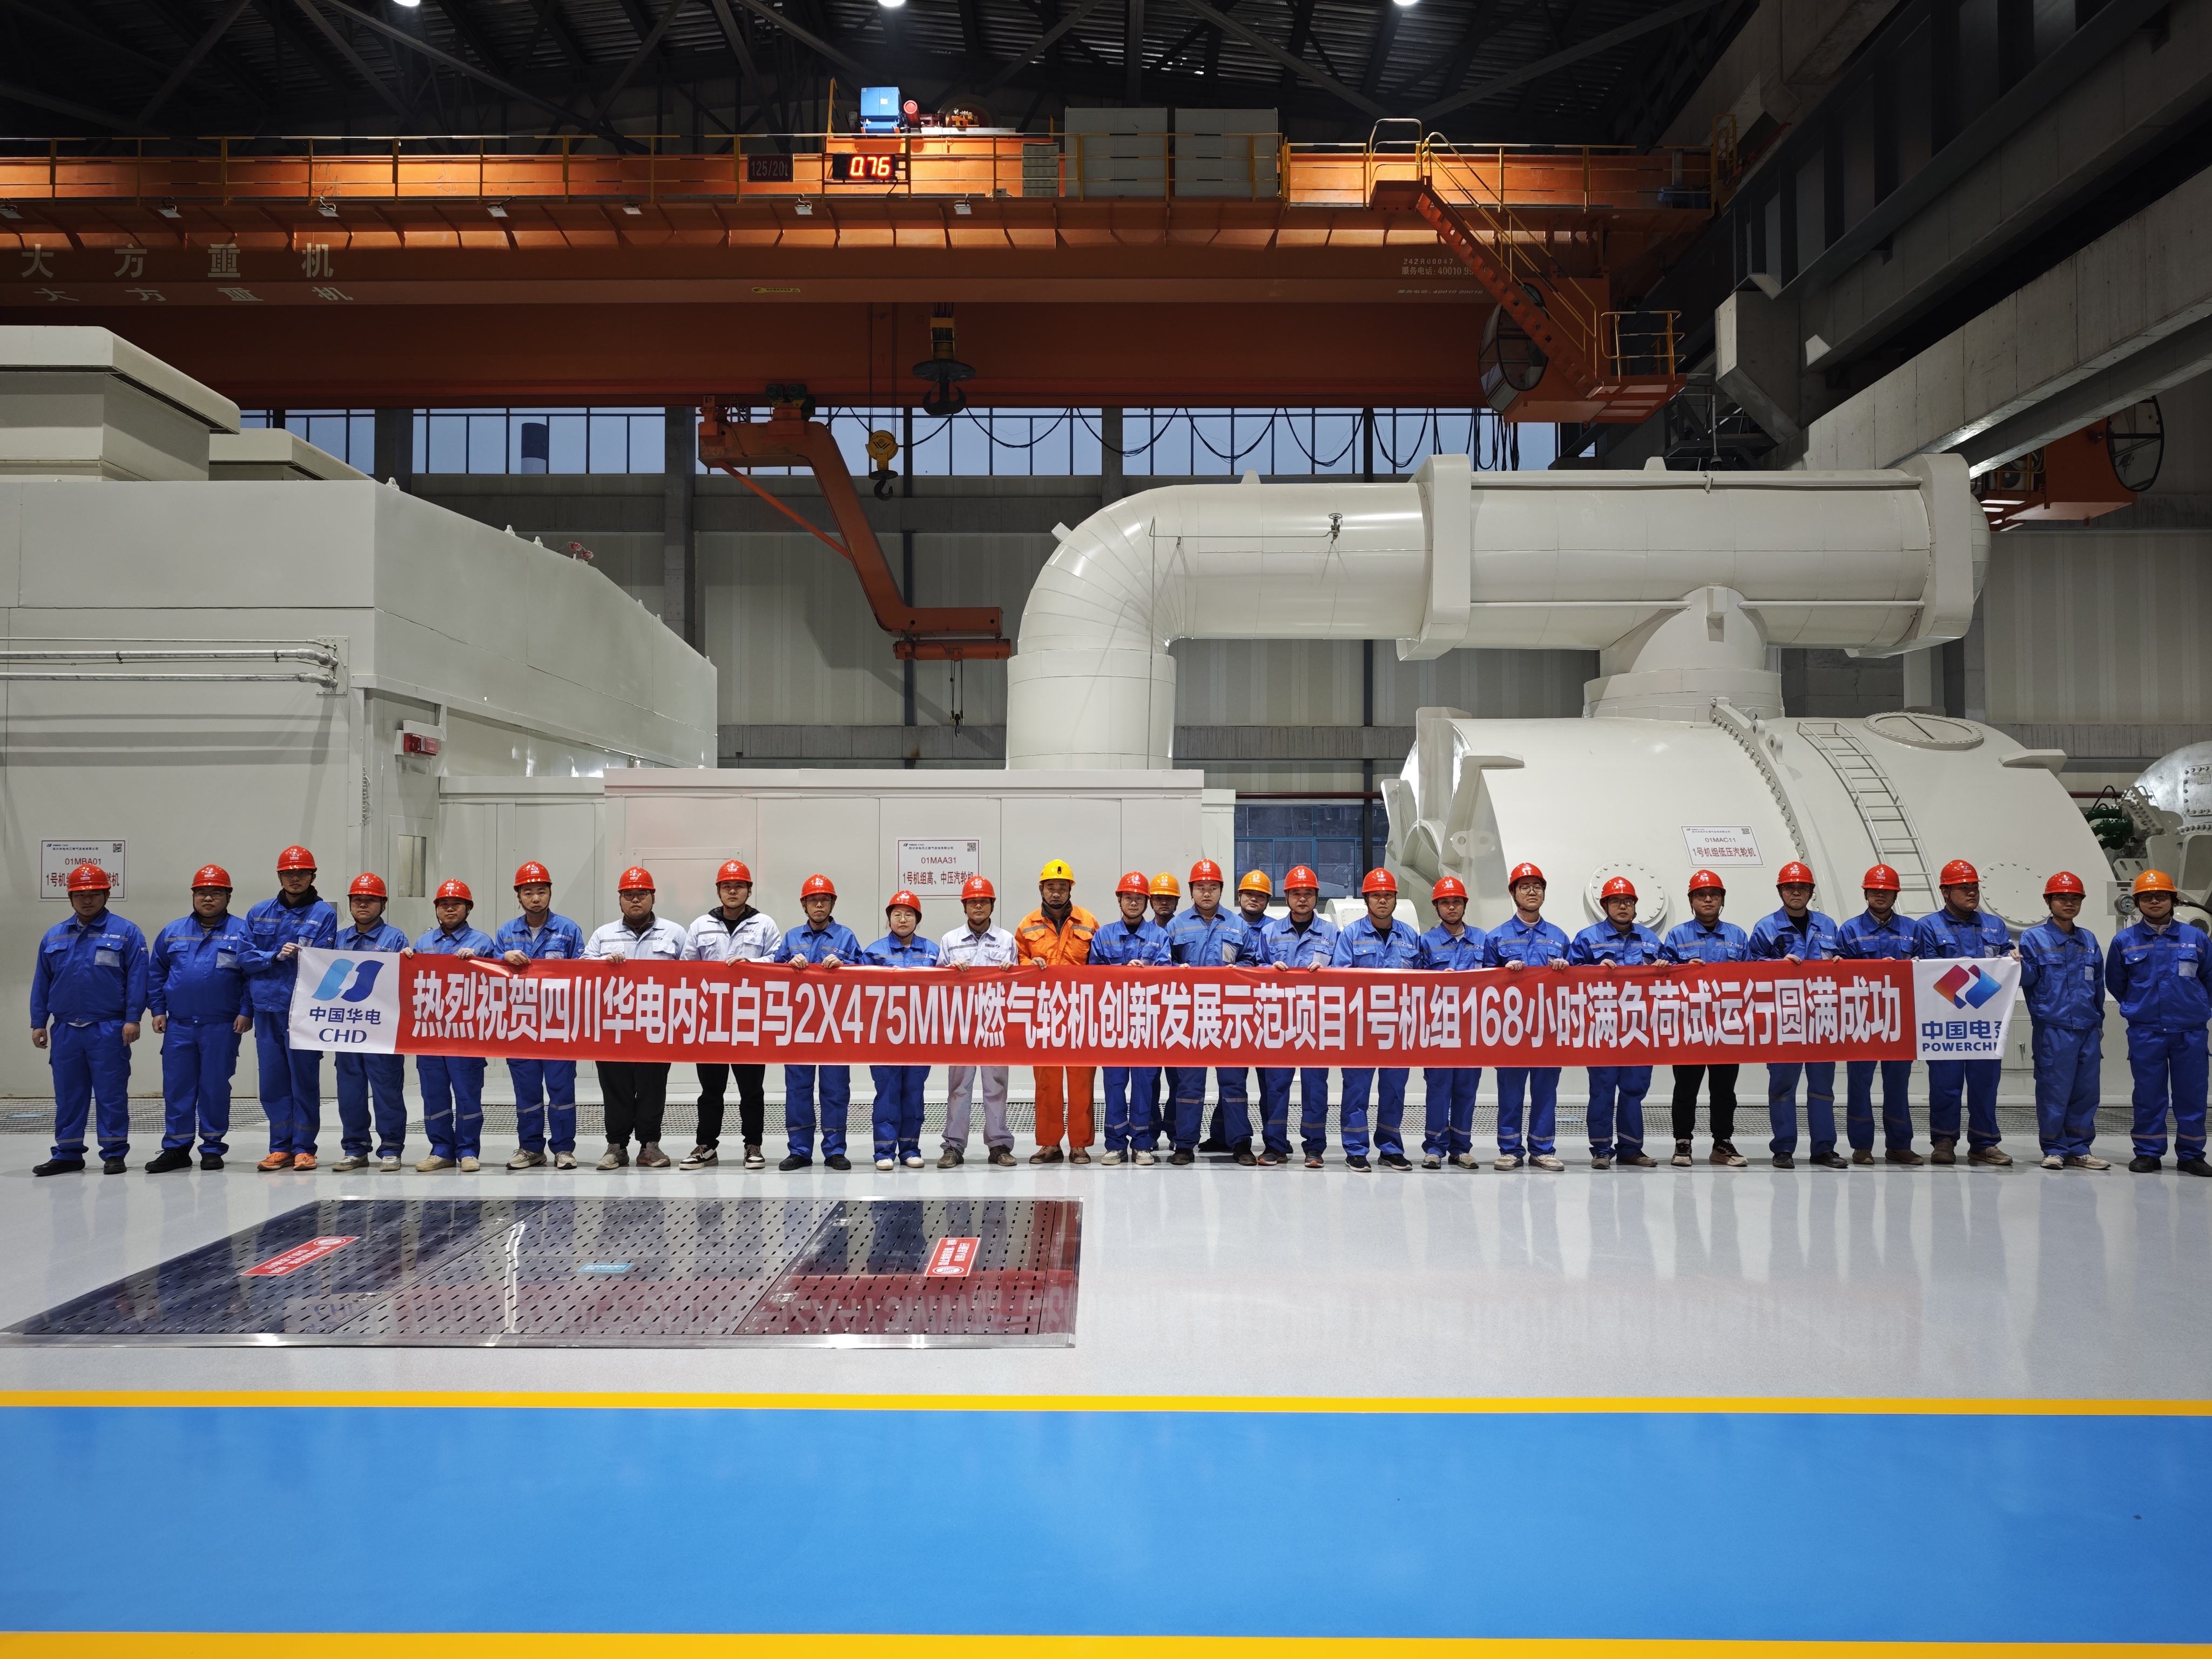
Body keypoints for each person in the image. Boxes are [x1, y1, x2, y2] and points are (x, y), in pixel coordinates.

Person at [30, 863, 147, 1177]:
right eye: (80, 895)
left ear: (106, 895)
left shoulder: (126, 932)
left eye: (94, 894)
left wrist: (133, 1019)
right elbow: (42, 981)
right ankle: (68, 1153)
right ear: (70, 898)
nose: (87, 900)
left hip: (108, 1027)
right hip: (66, 1029)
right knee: (69, 1094)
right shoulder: (54, 935)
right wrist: (39, 1022)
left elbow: (138, 979)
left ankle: (114, 1152)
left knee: (111, 1093)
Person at [144, 865, 253, 1174]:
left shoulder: (243, 933)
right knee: (177, 1087)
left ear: (228, 896)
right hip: (179, 1024)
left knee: (215, 1087)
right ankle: (176, 1148)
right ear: (193, 895)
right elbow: (156, 973)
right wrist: (158, 1009)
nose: (208, 899)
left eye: (216, 893)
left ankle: (212, 1147)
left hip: (222, 1025)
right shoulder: (173, 931)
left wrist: (247, 1011)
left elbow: (252, 977)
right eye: (202, 893)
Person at [583, 865, 692, 1171]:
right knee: (614, 1088)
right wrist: (603, 962)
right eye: (628, 894)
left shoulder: (674, 933)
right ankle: (616, 1147)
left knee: (652, 1088)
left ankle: (649, 1146)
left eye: (642, 894)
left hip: (657, 1026)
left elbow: (692, 973)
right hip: (613, 1027)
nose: (635, 900)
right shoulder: (604, 935)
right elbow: (582, 971)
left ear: (653, 897)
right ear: (619, 899)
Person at [2106, 869, 2211, 1176]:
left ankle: (2191, 1155)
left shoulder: (2196, 937)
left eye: (2161, 896)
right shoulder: (2124, 941)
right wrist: (2139, 1006)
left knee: (2192, 1095)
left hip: (2190, 1031)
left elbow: (2209, 978)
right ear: (2138, 902)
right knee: (2148, 1095)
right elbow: (2117, 983)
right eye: (2147, 897)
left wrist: (2196, 1007)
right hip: (2147, 1031)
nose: (2154, 901)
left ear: (2173, 900)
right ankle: (2148, 1153)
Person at [1911, 858, 2016, 1166]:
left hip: (1985, 1022)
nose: (1971, 893)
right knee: (1945, 1084)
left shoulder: (1994, 926)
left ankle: (1984, 1143)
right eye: (1963, 888)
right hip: (1946, 1022)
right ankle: (1944, 1141)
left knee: (1985, 1084)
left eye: (1974, 888)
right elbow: (1930, 975)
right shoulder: (1928, 926)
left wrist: (2012, 958)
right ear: (1945, 892)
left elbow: (2004, 964)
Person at [240, 845, 338, 1172]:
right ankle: (279, 1146)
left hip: (303, 1011)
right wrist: (274, 956)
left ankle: (305, 1148)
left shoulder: (323, 914)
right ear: (280, 876)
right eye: (289, 873)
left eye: (302, 873)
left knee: (304, 1080)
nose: (295, 878)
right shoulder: (258, 912)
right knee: (272, 1081)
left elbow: (324, 960)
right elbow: (244, 957)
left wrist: (301, 957)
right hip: (267, 1008)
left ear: (313, 876)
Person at [680, 858, 781, 1172]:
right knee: (711, 1090)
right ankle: (706, 1146)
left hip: (750, 1019)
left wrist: (752, 966)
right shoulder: (700, 925)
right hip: (710, 1020)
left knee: (752, 1090)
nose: (733, 891)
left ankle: (753, 1145)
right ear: (719, 891)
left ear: (749, 890)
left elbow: (778, 961)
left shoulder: (764, 924)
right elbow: (685, 969)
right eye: (727, 886)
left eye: (739, 886)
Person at [1748, 861, 1847, 1170]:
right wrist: (1776, 966)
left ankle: (1824, 1149)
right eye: (1790, 888)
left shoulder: (1828, 926)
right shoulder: (1766, 927)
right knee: (1782, 1087)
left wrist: (1841, 962)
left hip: (1821, 1019)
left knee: (1823, 1088)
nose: (1796, 892)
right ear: (1781, 891)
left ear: (1810, 892)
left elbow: (1843, 962)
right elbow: (1750, 968)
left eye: (1802, 888)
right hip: (1784, 1020)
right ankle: (1783, 1149)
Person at [495, 861, 588, 1172]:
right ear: (519, 896)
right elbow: (490, 972)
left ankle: (563, 1149)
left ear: (550, 893)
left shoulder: (568, 929)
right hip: (520, 1024)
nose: (535, 898)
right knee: (527, 1090)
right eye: (528, 893)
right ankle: (530, 1148)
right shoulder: (507, 932)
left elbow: (583, 973)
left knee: (562, 1089)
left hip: (558, 1023)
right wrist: (502, 958)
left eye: (541, 892)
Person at [1331, 868, 1424, 1172]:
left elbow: (1423, 982)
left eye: (1388, 895)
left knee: (1394, 1090)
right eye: (1376, 896)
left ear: (1395, 898)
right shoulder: (1351, 935)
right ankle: (1356, 1149)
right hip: (1360, 1028)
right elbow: (1341, 980)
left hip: (1399, 1027)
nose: (1382, 901)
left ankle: (1390, 1148)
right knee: (1356, 1089)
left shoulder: (1410, 937)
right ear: (1366, 899)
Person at [1165, 859, 1256, 1165]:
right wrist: (1177, 969)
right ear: (1192, 890)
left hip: (1229, 1016)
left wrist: (1238, 970)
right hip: (1190, 1017)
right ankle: (1184, 1145)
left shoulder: (1238, 925)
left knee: (1234, 1083)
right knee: (1190, 1084)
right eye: (1201, 888)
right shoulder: (1177, 925)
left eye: (1213, 887)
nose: (1207, 893)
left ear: (1221, 890)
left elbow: (1252, 961)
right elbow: (1164, 965)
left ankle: (1240, 1143)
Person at [1568, 875, 1663, 1169]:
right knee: (1603, 1089)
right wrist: (1593, 970)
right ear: (1605, 905)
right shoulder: (1587, 938)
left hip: (1639, 1028)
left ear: (1635, 906)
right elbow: (1569, 978)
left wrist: (1665, 968)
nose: (1623, 906)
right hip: (1602, 1027)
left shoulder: (1650, 940)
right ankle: (1601, 1150)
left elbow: (1669, 982)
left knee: (1634, 1090)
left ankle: (1631, 1149)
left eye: (1628, 901)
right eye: (1616, 901)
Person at [1482, 862, 1570, 1172]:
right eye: (1525, 887)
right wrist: (1502, 973)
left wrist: (1565, 970)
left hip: (1548, 1028)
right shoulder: (1497, 938)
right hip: (1511, 1029)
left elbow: (1576, 985)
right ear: (1513, 893)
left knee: (1546, 1091)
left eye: (1538, 887)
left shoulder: (1559, 937)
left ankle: (1543, 1149)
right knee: (1511, 1091)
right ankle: (1510, 1150)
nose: (1532, 892)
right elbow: (1483, 984)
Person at [2019, 871, 2109, 1171]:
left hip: (2088, 1029)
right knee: (2054, 1091)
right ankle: (2055, 1149)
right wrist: (2015, 963)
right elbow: (2027, 979)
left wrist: (2099, 1020)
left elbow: (2098, 984)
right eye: (2061, 898)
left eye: (2075, 898)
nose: (2069, 903)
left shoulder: (2089, 939)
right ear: (2049, 901)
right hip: (2053, 1029)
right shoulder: (2034, 938)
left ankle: (2080, 1150)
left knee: (2086, 1093)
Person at [1660, 869, 1749, 1168]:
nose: (1708, 899)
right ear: (1691, 901)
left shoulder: (1738, 936)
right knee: (1686, 1089)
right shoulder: (1677, 936)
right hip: (1689, 1026)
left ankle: (1722, 1143)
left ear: (1722, 900)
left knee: (1724, 1090)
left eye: (1714, 895)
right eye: (1701, 895)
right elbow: (1663, 977)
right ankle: (1682, 1143)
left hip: (1727, 1025)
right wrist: (1681, 969)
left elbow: (1753, 978)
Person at [1836, 864, 1924, 1166]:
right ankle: (1862, 1147)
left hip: (1901, 1020)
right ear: (1866, 893)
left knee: (1898, 1085)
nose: (1881, 895)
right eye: (1875, 890)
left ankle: (1899, 1146)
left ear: (1896, 894)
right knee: (1859, 1084)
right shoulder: (1850, 930)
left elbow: (1928, 971)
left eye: (1887, 891)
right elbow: (1840, 975)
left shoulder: (1913, 930)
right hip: (1862, 1019)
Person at [411, 880, 497, 1173]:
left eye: (456, 904)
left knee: (467, 1093)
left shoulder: (482, 943)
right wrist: (406, 961)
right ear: (436, 909)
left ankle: (468, 1150)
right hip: (431, 1033)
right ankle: (441, 1150)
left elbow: (498, 983)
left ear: (468, 908)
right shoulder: (423, 944)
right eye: (444, 905)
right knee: (433, 1094)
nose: (450, 909)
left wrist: (477, 962)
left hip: (466, 1034)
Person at [777, 872, 861, 1171]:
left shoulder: (846, 937)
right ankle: (799, 1150)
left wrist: (845, 965)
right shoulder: (791, 938)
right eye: (813, 900)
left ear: (832, 903)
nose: (819, 905)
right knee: (797, 1090)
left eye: (825, 900)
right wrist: (787, 965)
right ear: (804, 904)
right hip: (798, 1027)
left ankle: (835, 1150)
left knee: (835, 1090)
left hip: (835, 1027)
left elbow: (865, 975)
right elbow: (771, 975)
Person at [1017, 859, 1099, 1165]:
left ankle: (1079, 1144)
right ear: (1041, 889)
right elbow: (1017, 960)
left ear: (1070, 890)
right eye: (1051, 887)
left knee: (1081, 1081)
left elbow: (1100, 964)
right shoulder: (1027, 924)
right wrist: (1029, 965)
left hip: (1081, 1012)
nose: (1056, 893)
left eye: (1062, 888)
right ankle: (1049, 1144)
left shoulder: (1088, 921)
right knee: (1047, 1082)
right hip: (1043, 1014)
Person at [328, 872, 409, 1173]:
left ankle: (391, 1148)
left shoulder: (395, 939)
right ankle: (355, 1148)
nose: (363, 905)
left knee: (387, 1090)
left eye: (370, 900)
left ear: (383, 904)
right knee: (350, 1091)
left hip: (382, 1030)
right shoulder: (338, 940)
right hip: (347, 1030)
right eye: (357, 900)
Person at [1090, 870, 1171, 1165]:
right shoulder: (1104, 936)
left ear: (1147, 902)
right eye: (1128, 897)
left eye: (1139, 898)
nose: (1134, 903)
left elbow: (1166, 976)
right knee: (1114, 1085)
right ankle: (1115, 1144)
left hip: (1147, 1024)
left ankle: (1142, 1144)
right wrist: (1122, 972)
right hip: (1112, 1023)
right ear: (1120, 900)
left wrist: (1145, 973)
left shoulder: (1159, 936)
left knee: (1144, 1085)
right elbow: (1092, 977)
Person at [940, 875, 1020, 1168]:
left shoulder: (1007, 940)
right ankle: (953, 1147)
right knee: (959, 1086)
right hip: (961, 1023)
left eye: (984, 902)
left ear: (992, 905)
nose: (978, 906)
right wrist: (949, 970)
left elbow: (1020, 986)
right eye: (972, 902)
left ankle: (999, 1145)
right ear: (964, 906)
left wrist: (1012, 972)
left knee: (996, 1085)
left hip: (995, 1022)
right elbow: (935, 983)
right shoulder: (950, 940)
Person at [1263, 865, 1338, 1168]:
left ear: (1317, 896)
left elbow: (1345, 972)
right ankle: (1275, 1146)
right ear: (1287, 897)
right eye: (1296, 893)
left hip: (1317, 1022)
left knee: (1315, 1087)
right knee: (1276, 1086)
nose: (1302, 898)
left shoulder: (1332, 934)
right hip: (1278, 1021)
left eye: (1308, 893)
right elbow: (1253, 969)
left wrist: (1328, 973)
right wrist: (1269, 970)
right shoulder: (1270, 933)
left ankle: (1314, 1148)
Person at [865, 889, 940, 1170]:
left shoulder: (933, 952)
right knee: (887, 1091)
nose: (903, 919)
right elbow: (860, 992)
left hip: (920, 1034)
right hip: (884, 1036)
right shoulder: (873, 952)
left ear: (917, 919)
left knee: (913, 1092)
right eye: (897, 914)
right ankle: (884, 1151)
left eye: (909, 914)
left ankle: (910, 1149)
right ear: (889, 919)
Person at [1415, 875, 1484, 1171]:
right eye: (1445, 902)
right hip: (1438, 1030)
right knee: (1438, 1089)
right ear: (1437, 907)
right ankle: (1434, 1148)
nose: (1452, 907)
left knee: (1467, 1090)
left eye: (1456, 901)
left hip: (1472, 1030)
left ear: (1465, 904)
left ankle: (1461, 1149)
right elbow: (1414, 985)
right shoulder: (1426, 942)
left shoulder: (1483, 940)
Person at [1144, 874, 1183, 1146]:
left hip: (1181, 1015)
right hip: (1148, 1016)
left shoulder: (1186, 930)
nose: (1164, 903)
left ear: (1177, 901)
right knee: (1149, 1080)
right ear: (1151, 901)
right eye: (1159, 898)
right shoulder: (1144, 934)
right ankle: (1149, 1132)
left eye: (1169, 898)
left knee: (1179, 1079)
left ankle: (1175, 1131)